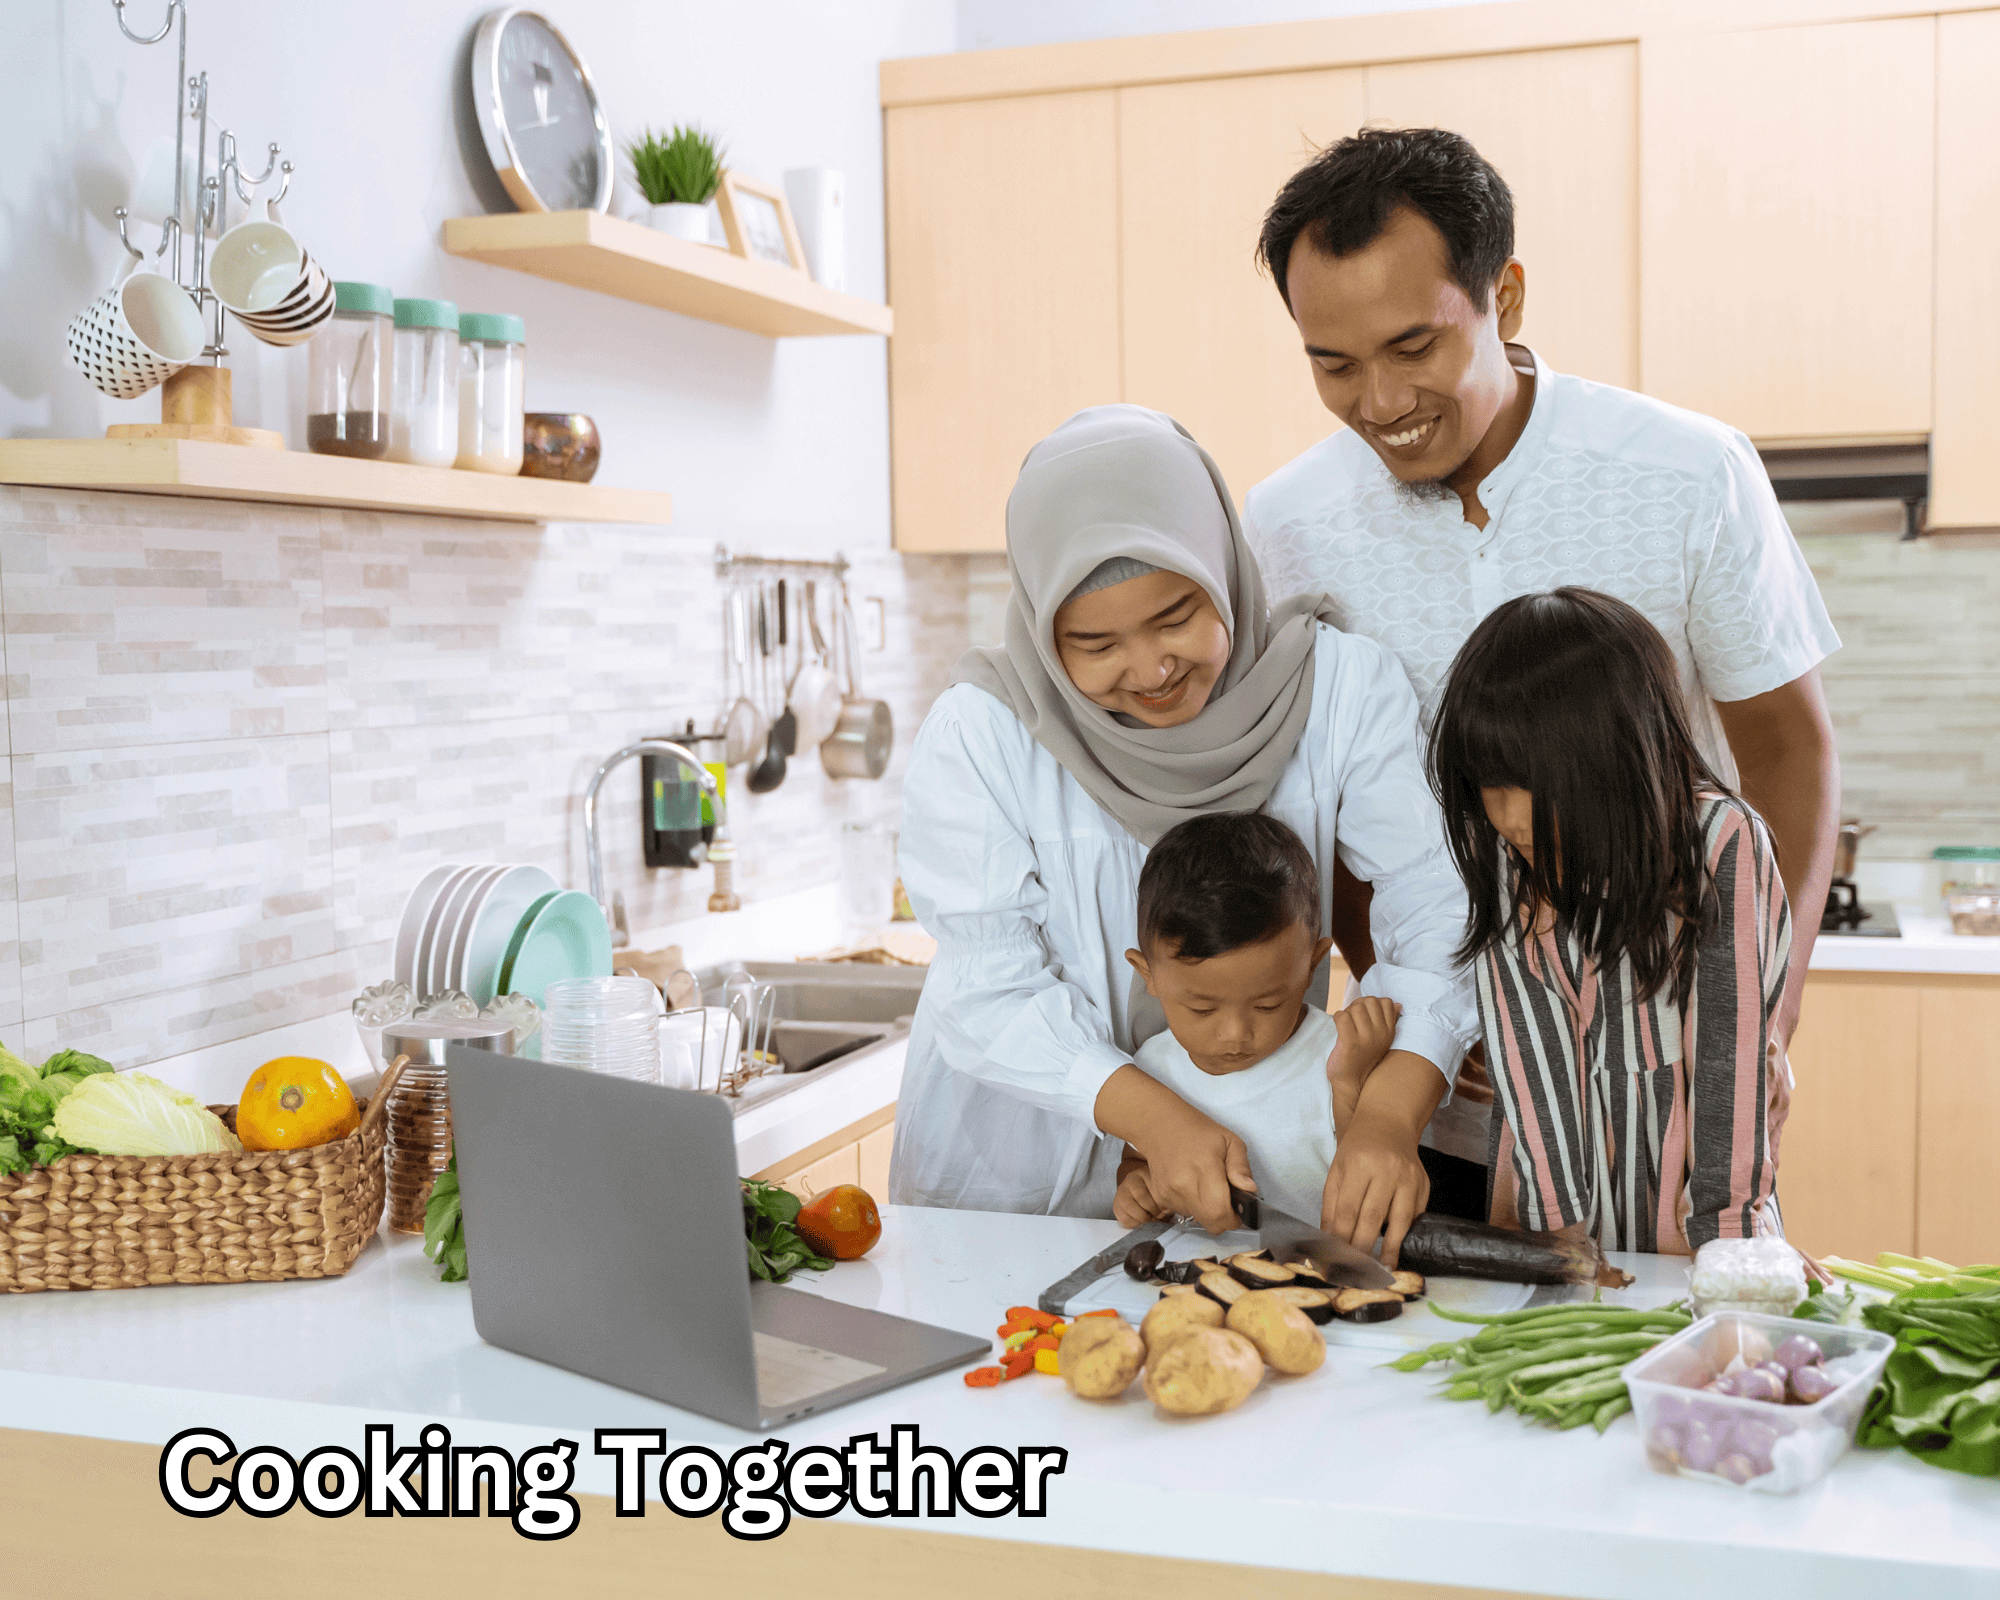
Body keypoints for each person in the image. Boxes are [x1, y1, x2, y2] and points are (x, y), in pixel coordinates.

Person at [1242, 126, 1840, 1206]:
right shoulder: (1285, 527)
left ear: (1502, 298)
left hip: (1660, 1088)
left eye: (1412, 347)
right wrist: (1411, 1012)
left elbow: (1786, 754)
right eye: (1332, 364)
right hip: (1428, 1094)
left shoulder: (1683, 470)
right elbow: (1324, 822)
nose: (1376, 402)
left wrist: (1755, 1022)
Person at [889, 404, 1477, 1260]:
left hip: (1257, 1171)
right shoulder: (986, 730)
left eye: (1175, 617)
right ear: (1046, 635)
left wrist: (1390, 1113)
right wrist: (1154, 1116)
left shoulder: (1338, 690)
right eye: (1094, 643)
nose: (1152, 667)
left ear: (1224, 565)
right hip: (1014, 1177)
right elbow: (987, 986)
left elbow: (1438, 905)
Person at [1428, 588, 1790, 1253]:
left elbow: (1726, 1057)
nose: (1508, 817)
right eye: (1490, 782)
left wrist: (1729, 1239)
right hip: (1548, 1187)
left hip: (1698, 1202)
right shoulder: (1508, 856)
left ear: (1612, 754)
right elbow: (1530, 1055)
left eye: (1531, 781)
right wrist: (1553, 1241)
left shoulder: (1720, 842)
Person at [1114, 811, 1402, 1230]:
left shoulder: (1339, 1051)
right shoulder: (1151, 1068)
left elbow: (1369, 1166)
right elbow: (1138, 1159)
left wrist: (1350, 1082)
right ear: (1149, 976)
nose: (1234, 1034)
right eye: (1202, 1009)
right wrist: (1136, 1189)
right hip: (1195, 1281)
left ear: (1312, 966)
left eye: (1267, 1005)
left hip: (1320, 1278)